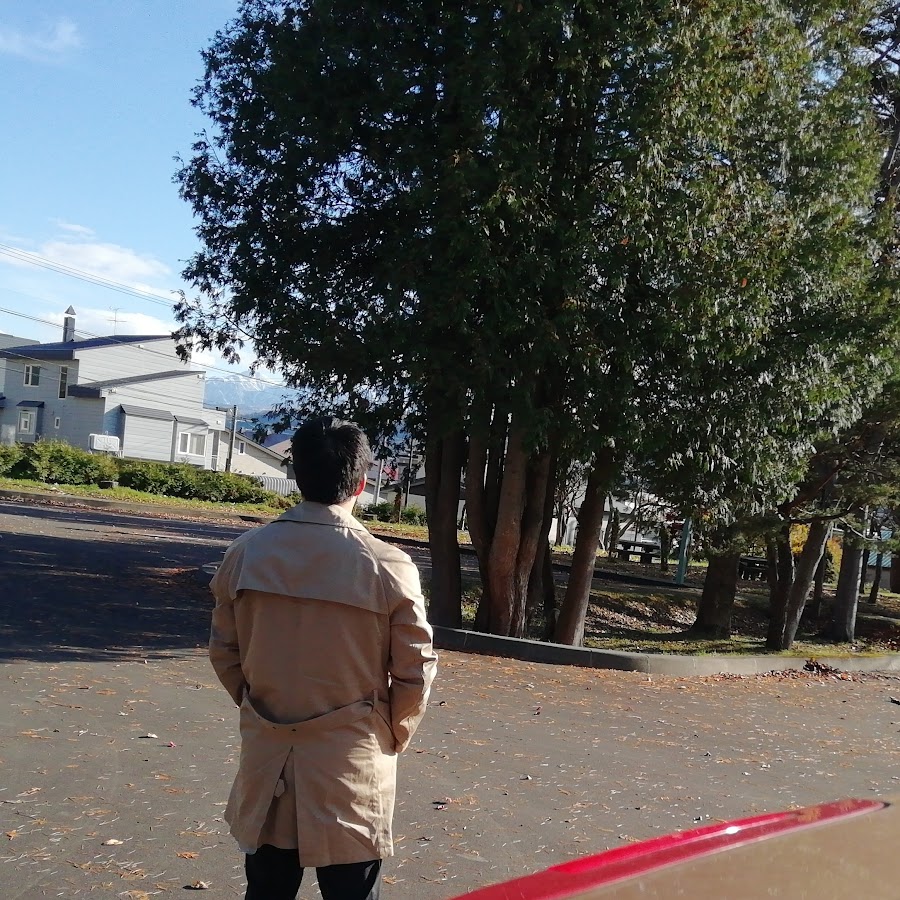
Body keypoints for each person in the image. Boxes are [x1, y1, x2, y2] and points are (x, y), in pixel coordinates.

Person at [209, 417, 438, 900]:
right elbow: (415, 670)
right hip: (350, 760)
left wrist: (257, 705)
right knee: (352, 890)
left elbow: (224, 652)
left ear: (296, 474)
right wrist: (390, 733)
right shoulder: (387, 566)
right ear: (361, 482)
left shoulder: (246, 553)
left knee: (266, 888)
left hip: (268, 750)